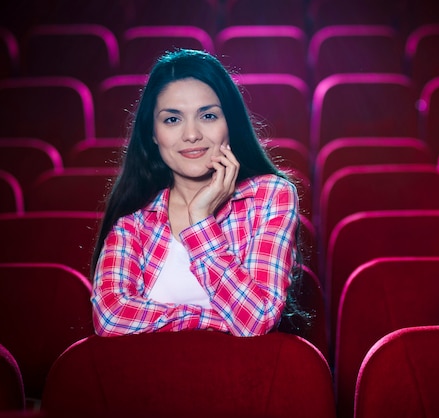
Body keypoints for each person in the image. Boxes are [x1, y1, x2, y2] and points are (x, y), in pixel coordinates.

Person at [90, 49, 307, 337]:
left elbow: (256, 321)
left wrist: (200, 220)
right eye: (172, 120)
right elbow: (110, 319)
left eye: (207, 115)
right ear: (153, 134)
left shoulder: (270, 196)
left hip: (244, 379)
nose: (191, 134)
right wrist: (218, 321)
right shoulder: (133, 224)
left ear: (230, 123)